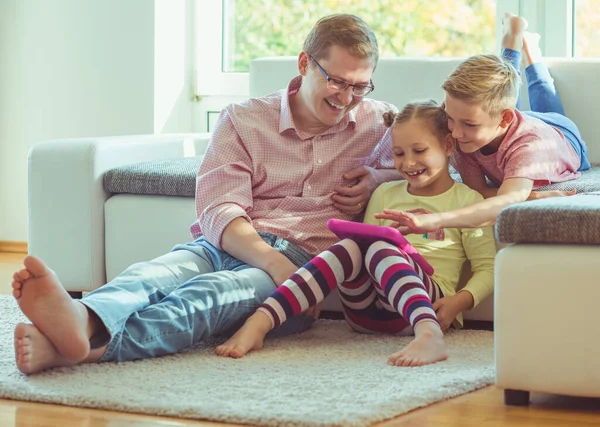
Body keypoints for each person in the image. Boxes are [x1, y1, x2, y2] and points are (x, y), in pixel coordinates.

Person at [11, 13, 403, 375]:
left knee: (207, 296)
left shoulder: (379, 122)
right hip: (227, 244)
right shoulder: (244, 119)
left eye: (359, 85)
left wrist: (378, 177)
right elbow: (219, 208)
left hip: (304, 266)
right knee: (153, 274)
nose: (347, 96)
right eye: (337, 80)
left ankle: (84, 348)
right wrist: (272, 262)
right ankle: (84, 317)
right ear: (304, 63)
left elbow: (435, 169)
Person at [215, 101, 496, 367]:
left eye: (419, 151)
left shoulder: (467, 202)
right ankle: (260, 321)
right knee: (354, 244)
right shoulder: (386, 192)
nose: (408, 163)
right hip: (366, 315)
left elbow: (488, 268)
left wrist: (459, 302)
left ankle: (429, 336)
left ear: (448, 145)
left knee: (381, 247)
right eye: (399, 153)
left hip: (427, 308)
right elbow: (363, 252)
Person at [379, 13, 591, 235]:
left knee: (542, 94)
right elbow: (479, 191)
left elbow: (504, 201)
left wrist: (437, 220)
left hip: (562, 134)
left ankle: (529, 49)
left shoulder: (530, 146)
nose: (457, 134)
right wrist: (533, 196)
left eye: (469, 124)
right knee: (496, 100)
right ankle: (512, 39)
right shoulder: (463, 133)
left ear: (506, 119)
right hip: (507, 120)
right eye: (451, 117)